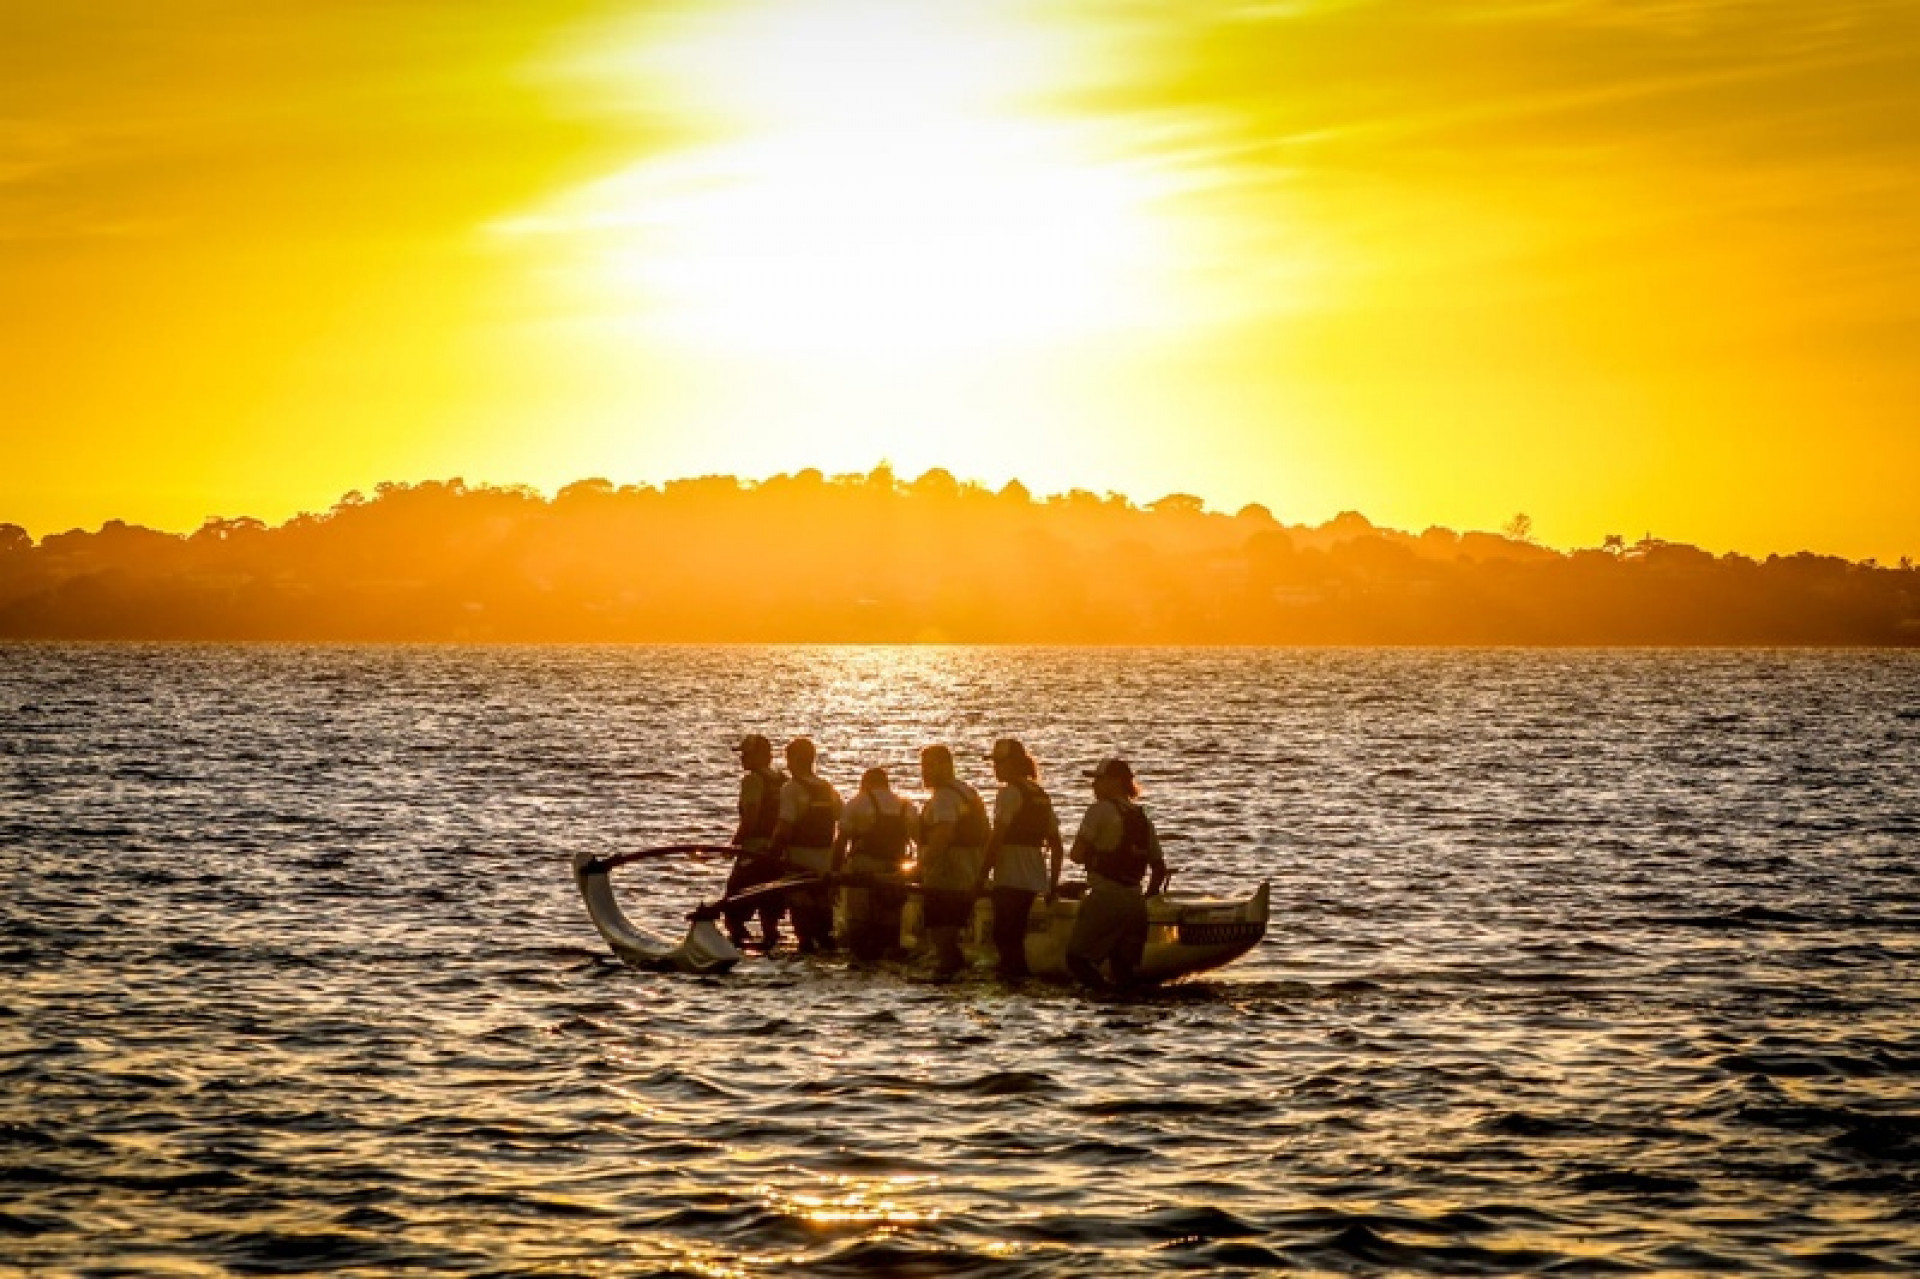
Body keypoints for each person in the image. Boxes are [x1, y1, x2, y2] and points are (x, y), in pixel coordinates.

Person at [1065, 758, 1169, 990]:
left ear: (1114, 782)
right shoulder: (1142, 818)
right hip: (1135, 902)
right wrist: (1147, 897)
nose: (1093, 786)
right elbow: (1159, 869)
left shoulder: (1099, 811)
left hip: (1106, 898)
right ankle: (1126, 1008)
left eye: (1098, 780)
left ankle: (1104, 995)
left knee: (1077, 960)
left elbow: (1076, 854)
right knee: (1123, 969)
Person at [973, 738, 1065, 981]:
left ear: (1013, 764)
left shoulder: (1009, 793)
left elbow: (997, 838)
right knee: (1014, 937)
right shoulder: (1040, 795)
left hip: (1011, 878)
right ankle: (1019, 979)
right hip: (1035, 879)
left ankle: (1015, 983)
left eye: (999, 763)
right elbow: (1057, 846)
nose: (995, 768)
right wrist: (1052, 885)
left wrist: (981, 876)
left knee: (1005, 937)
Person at [916, 743, 990, 981]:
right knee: (954, 928)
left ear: (948, 765)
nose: (925, 772)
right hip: (970, 871)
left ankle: (947, 975)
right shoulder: (968, 793)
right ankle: (957, 971)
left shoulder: (944, 797)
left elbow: (944, 834)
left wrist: (921, 866)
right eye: (923, 766)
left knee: (941, 931)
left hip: (946, 876)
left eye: (930, 766)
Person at [832, 766, 918, 963]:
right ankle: (887, 957)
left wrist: (834, 875)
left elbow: (841, 842)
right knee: (889, 923)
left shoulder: (856, 803)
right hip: (895, 871)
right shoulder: (906, 806)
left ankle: (862, 961)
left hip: (863, 869)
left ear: (865, 784)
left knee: (860, 923)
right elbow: (921, 843)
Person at [769, 737, 843, 953]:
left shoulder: (790, 789)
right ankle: (828, 946)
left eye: (788, 759)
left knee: (803, 922)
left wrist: (771, 852)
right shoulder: (828, 788)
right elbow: (842, 819)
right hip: (824, 864)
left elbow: (784, 826)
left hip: (798, 864)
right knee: (823, 919)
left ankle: (805, 947)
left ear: (794, 760)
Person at [723, 734, 788, 950]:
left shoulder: (752, 780)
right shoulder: (783, 780)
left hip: (754, 852)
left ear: (762, 756)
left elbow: (750, 818)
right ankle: (771, 944)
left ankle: (735, 948)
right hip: (778, 855)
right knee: (769, 910)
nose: (742, 758)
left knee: (733, 905)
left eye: (747, 754)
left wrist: (734, 844)